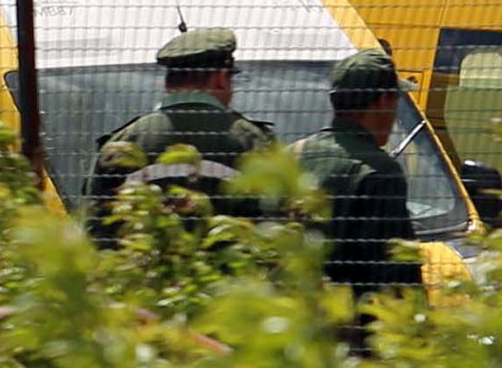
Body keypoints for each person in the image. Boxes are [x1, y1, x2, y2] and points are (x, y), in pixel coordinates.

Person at [89, 25, 277, 228]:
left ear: (167, 84)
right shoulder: (254, 142)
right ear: (221, 79)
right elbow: (277, 223)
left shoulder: (124, 143)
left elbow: (96, 228)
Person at [292, 48, 422, 311]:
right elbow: (394, 272)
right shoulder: (380, 171)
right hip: (346, 330)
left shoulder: (293, 155)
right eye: (395, 100)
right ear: (383, 101)